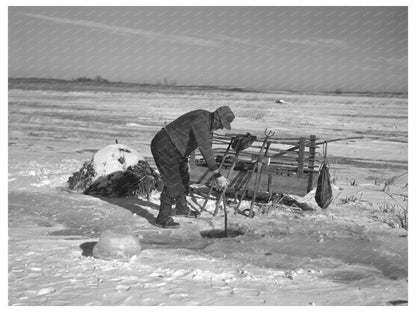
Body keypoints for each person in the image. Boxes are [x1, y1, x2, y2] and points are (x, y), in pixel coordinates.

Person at [150, 106, 235, 228]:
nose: (221, 127)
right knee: (173, 182)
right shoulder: (201, 121)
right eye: (222, 124)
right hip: (165, 146)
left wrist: (187, 160)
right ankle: (162, 218)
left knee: (183, 176)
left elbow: (188, 138)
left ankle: (182, 209)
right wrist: (217, 174)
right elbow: (205, 149)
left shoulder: (205, 119)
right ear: (217, 118)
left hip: (175, 148)